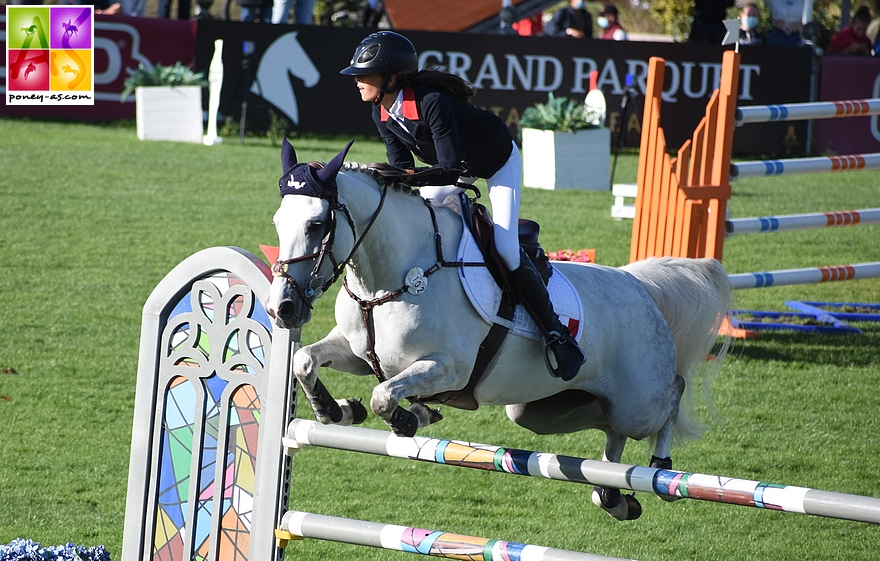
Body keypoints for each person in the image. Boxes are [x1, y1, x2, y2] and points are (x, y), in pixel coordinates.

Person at [338, 31, 586, 381]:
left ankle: (557, 335)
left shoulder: (432, 101)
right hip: (449, 170)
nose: (358, 82)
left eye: (364, 75)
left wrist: (403, 176)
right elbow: (402, 167)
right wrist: (385, 176)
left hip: (496, 161)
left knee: (505, 248)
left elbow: (448, 167)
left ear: (391, 78)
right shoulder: (381, 112)